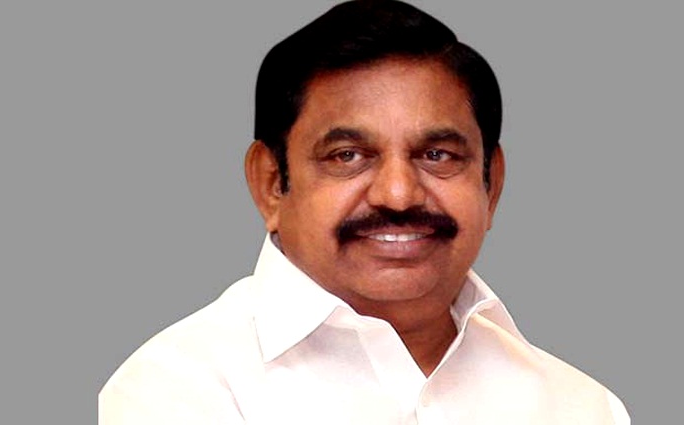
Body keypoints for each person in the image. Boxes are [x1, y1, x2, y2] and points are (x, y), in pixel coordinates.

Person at [99, 1, 629, 423]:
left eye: (437, 155)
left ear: (491, 186)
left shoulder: (581, 407)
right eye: (347, 156)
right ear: (271, 185)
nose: (398, 195)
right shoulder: (177, 390)